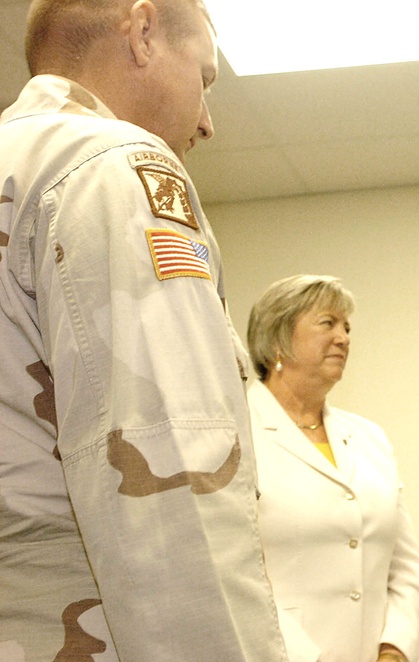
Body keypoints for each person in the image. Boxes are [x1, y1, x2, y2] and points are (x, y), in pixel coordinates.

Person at [0, 0, 287, 659]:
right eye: (206, 80)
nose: (208, 122)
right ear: (143, 30)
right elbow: (171, 487)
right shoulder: (114, 164)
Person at [247, 274, 419, 662]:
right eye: (327, 323)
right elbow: (236, 575)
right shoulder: (237, 437)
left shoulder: (369, 437)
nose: (344, 338)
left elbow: (407, 566)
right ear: (277, 338)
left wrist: (394, 649)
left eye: (346, 327)